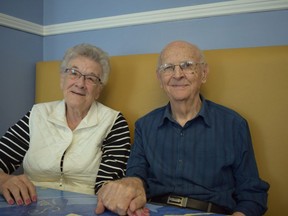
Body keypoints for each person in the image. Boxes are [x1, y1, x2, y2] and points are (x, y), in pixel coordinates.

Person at [95, 40, 269, 216]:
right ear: (160, 79)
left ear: (204, 73)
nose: (177, 74)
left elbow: (253, 194)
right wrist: (131, 185)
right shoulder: (145, 126)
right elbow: (135, 176)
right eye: (168, 67)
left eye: (187, 65)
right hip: (154, 211)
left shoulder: (233, 124)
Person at [0, 43, 131, 206]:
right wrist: (4, 179)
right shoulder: (37, 114)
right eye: (74, 73)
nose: (80, 83)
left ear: (98, 90)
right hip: (29, 205)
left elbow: (108, 186)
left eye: (90, 78)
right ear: (62, 79)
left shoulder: (113, 122)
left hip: (85, 208)